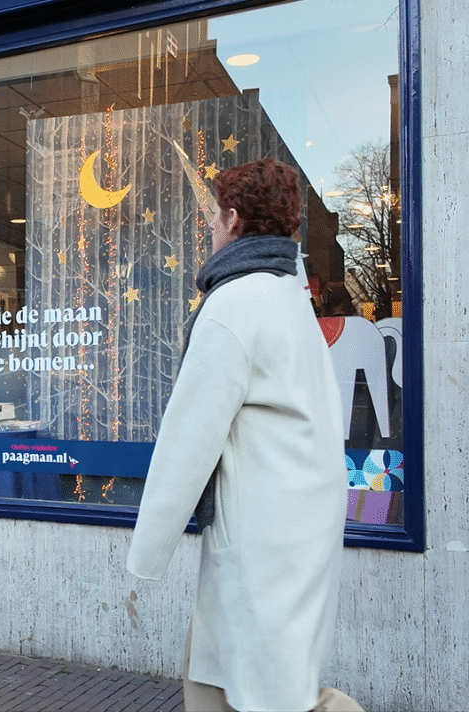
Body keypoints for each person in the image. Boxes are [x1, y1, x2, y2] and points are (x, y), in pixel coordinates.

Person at [126, 160, 363, 711]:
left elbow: (189, 439)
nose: (208, 227)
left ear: (233, 220)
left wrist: (146, 556)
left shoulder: (234, 305)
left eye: (212, 215)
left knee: (269, 695)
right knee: (223, 678)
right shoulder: (289, 296)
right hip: (296, 525)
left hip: (262, 538)